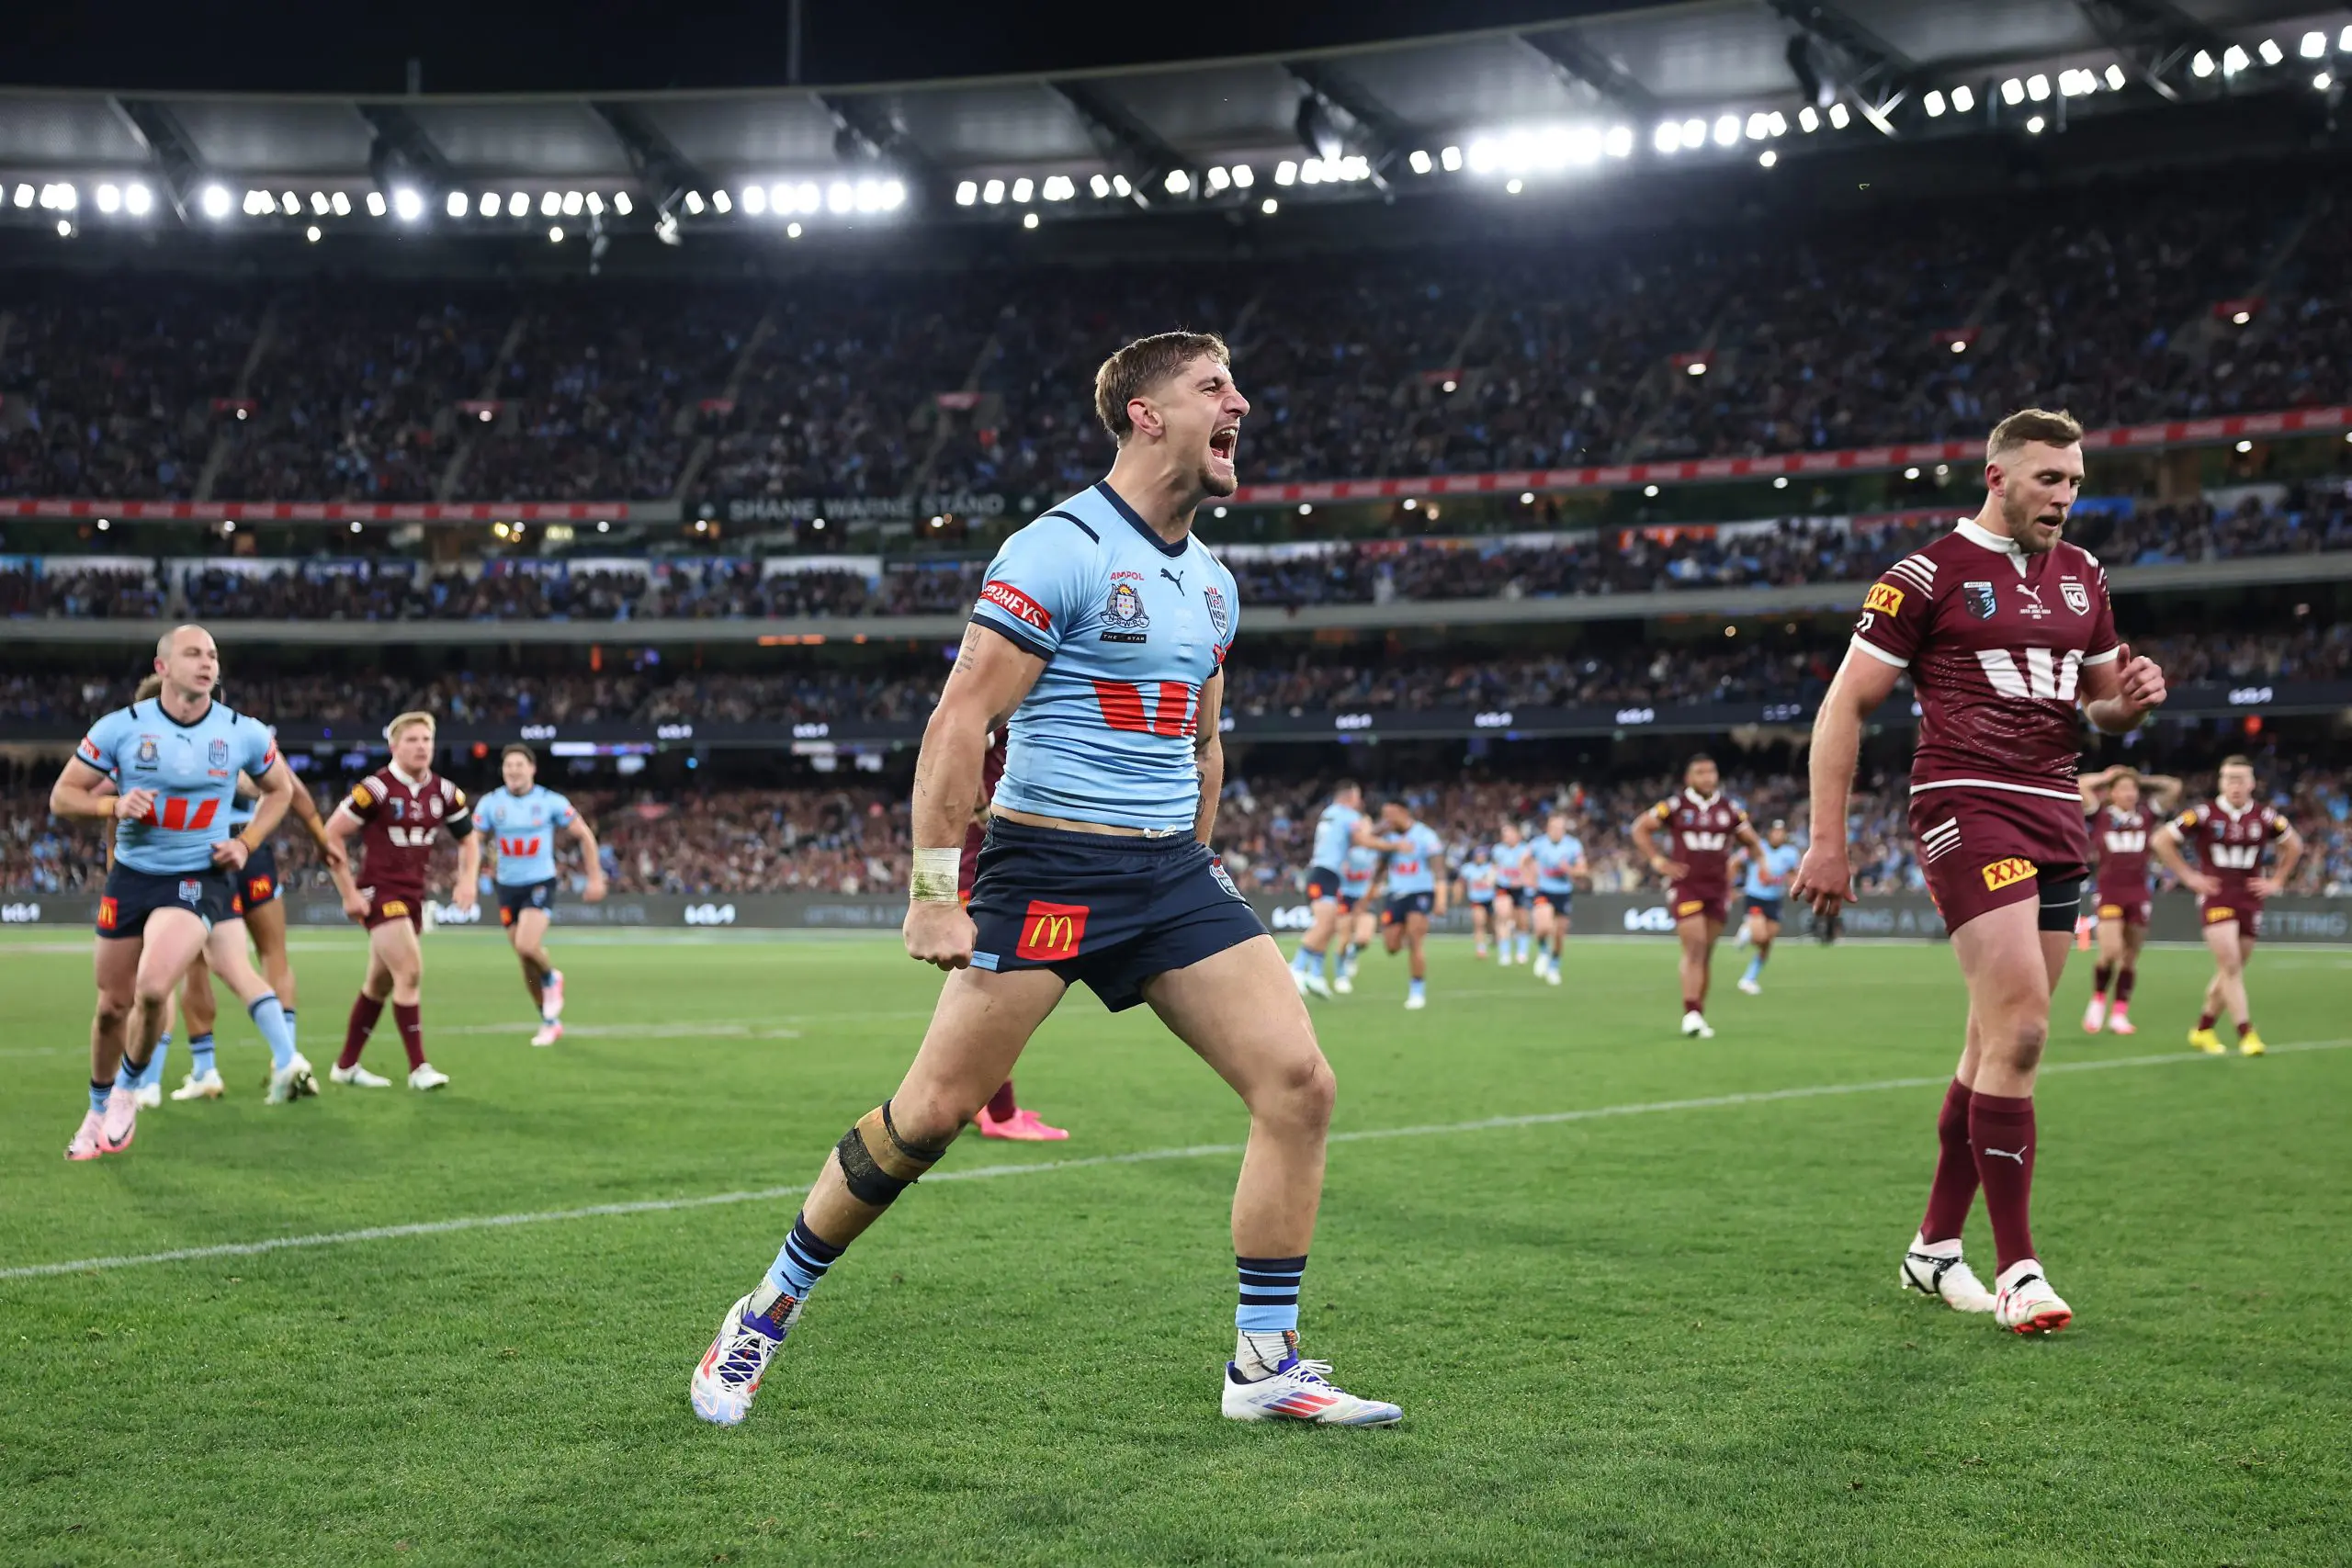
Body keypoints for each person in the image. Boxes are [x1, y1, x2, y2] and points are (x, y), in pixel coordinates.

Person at [691, 331, 1399, 1429]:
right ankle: (762, 1313)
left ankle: (1266, 1364)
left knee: (1300, 1085)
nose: (1241, 406)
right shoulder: (1057, 548)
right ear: (1145, 414)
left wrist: (1199, 854)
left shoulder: (1213, 585)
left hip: (1169, 874)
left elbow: (1204, 742)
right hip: (1050, 867)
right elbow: (960, 721)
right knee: (926, 1119)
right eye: (1214, 387)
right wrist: (935, 889)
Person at [1794, 407, 2169, 1336]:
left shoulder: (2083, 577)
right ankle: (2019, 1270)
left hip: (2056, 809)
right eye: (2049, 479)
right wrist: (1825, 840)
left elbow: (2100, 710)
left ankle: (1931, 1250)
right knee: (2027, 1032)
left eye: (2075, 481)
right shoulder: (1924, 575)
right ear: (1997, 476)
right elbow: (1846, 704)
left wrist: (2130, 705)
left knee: (1992, 1046)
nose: (2065, 498)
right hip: (1966, 803)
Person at [50, 626, 319, 1158]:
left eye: (213, 655)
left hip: (198, 878)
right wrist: (112, 806)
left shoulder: (241, 732)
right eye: (194, 653)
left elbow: (281, 789)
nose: (207, 663)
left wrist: (248, 842)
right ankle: (97, 1107)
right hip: (131, 877)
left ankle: (128, 1088)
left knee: (153, 988)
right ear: (163, 666)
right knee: (111, 1007)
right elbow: (63, 796)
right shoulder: (119, 728)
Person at [322, 711, 480, 1091]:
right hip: (380, 892)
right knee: (409, 971)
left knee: (379, 984)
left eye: (427, 739)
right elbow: (330, 834)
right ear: (394, 746)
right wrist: (349, 892)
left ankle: (346, 1066)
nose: (421, 746)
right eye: (412, 739)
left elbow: (469, 839)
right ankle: (418, 1068)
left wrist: (468, 879)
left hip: (413, 895)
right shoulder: (375, 789)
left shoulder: (445, 792)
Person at [2152, 757, 2301, 1057]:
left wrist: (2277, 880)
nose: (2235, 785)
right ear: (2221, 782)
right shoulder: (2204, 813)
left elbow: (2294, 844)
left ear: (2252, 784)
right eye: (2229, 779)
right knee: (2230, 965)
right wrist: (2188, 876)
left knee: (2230, 970)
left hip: (2249, 897)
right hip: (2216, 894)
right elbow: (2161, 839)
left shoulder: (2265, 816)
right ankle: (2246, 1032)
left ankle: (2203, 1028)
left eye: (2241, 779)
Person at [963, 728, 1069, 1141]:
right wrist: (982, 811)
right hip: (988, 869)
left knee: (991, 990)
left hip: (993, 865)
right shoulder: (1009, 690)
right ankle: (1001, 1114)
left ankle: (991, 1105)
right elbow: (962, 739)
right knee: (995, 994)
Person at [471, 743, 607, 1047]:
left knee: (526, 944)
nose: (513, 771)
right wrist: (468, 878)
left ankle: (551, 977)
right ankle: (549, 1020)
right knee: (523, 957)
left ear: (532, 769)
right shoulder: (492, 804)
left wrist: (595, 877)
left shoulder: (550, 802)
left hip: (539, 883)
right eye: (508, 766)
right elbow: (473, 842)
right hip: (507, 887)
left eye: (519, 765)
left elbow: (584, 834)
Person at [1632, 756, 1762, 1037]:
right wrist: (1657, 861)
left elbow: (1752, 842)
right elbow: (1640, 828)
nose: (1707, 777)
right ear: (1689, 778)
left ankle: (1698, 1012)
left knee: (1706, 955)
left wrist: (1751, 868)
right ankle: (1690, 1012)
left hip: (1717, 890)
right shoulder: (1676, 806)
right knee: (1695, 947)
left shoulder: (1729, 809)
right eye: (1700, 772)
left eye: (1711, 771)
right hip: (1686, 886)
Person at [2075, 764, 2182, 1035]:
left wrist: (2140, 779)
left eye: (2132, 789)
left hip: (2138, 892)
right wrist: (2106, 776)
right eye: (2123, 789)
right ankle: (2098, 999)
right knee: (2109, 951)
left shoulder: (2146, 815)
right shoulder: (2100, 814)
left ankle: (2120, 1012)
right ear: (2111, 793)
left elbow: (2174, 786)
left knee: (2130, 957)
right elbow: (2079, 783)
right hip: (2110, 890)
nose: (2129, 793)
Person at [1289, 781, 1396, 998]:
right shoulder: (1348, 816)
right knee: (1325, 924)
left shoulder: (1331, 814)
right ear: (1350, 797)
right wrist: (1393, 846)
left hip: (1326, 873)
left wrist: (1383, 828)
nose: (1360, 801)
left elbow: (1358, 839)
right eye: (1358, 796)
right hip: (1325, 873)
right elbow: (1362, 840)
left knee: (1329, 928)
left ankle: (1315, 974)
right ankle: (1296, 969)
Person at [1376, 801, 1447, 1010]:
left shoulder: (1426, 836)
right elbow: (1379, 869)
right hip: (1395, 895)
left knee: (1416, 941)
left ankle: (1417, 990)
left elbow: (1439, 871)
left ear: (1403, 812)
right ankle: (1407, 931)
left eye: (1390, 814)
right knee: (1391, 946)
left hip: (1420, 893)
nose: (1387, 819)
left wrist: (1441, 899)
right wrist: (1369, 894)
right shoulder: (1388, 839)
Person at [1735, 819, 1803, 996]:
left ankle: (1749, 978)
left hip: (1774, 900)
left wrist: (1794, 885)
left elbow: (1792, 874)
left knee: (1767, 942)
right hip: (1755, 897)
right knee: (1759, 936)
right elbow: (1737, 861)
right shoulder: (1758, 847)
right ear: (1770, 833)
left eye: (1781, 832)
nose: (1778, 835)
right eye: (1775, 831)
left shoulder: (1790, 853)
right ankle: (1747, 931)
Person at [1524, 812, 1586, 987]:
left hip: (1563, 892)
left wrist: (1570, 870)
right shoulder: (1538, 844)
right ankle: (1543, 951)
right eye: (1553, 827)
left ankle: (1554, 967)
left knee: (1559, 934)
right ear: (1548, 828)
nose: (1556, 831)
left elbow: (1582, 870)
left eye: (1560, 828)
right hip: (1544, 890)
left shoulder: (1573, 845)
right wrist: (1529, 878)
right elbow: (1524, 861)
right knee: (1543, 926)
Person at [1330, 840, 1385, 994]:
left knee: (1364, 938)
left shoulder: (1374, 852)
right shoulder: (1342, 850)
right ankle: (1341, 977)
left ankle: (1352, 953)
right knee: (1344, 938)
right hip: (1345, 897)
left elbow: (1380, 872)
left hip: (1365, 898)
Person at [1490, 821, 1533, 965]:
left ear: (1517, 835)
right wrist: (1490, 879)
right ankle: (1505, 953)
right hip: (1503, 886)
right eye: (1504, 834)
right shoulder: (1498, 850)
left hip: (1521, 889)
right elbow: (1495, 867)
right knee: (1503, 916)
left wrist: (1525, 880)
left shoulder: (1526, 850)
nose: (1506, 837)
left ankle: (1522, 951)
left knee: (1522, 921)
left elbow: (1531, 870)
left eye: (1509, 834)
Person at [1457, 844, 1498, 959]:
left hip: (1490, 899)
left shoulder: (1491, 868)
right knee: (1479, 923)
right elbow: (1462, 882)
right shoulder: (1467, 868)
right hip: (1476, 900)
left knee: (1491, 924)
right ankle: (1481, 948)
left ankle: (1494, 937)